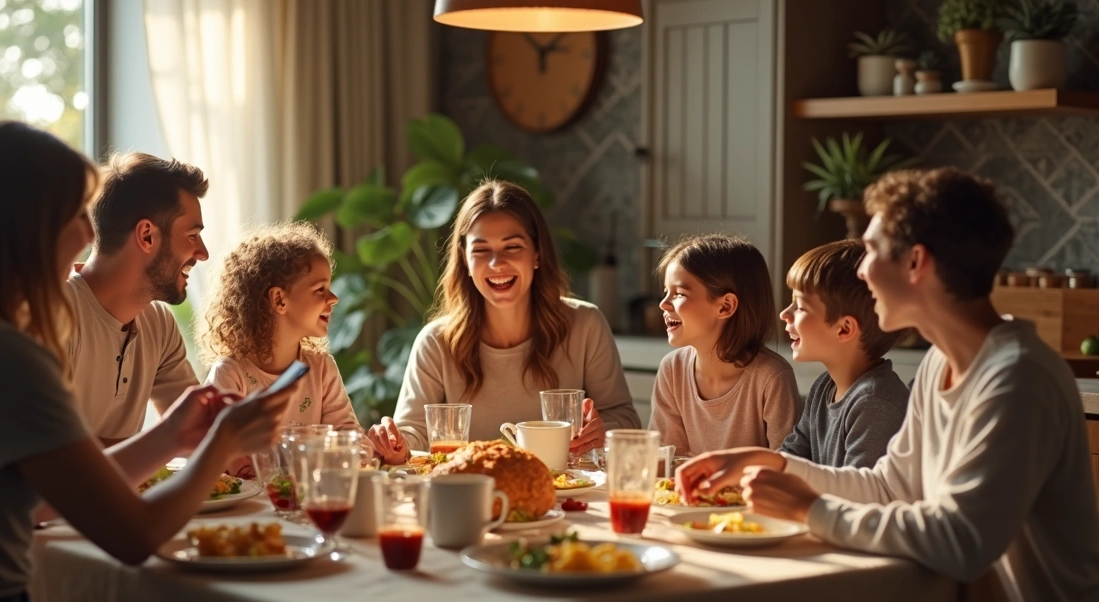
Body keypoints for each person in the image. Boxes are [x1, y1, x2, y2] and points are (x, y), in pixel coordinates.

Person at [0, 121, 294, 602]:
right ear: (31, 226)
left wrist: (172, 436)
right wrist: (225, 441)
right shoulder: (1, 353)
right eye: (78, 214)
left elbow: (45, 499)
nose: (88, 232)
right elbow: (133, 535)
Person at [678, 168, 1099, 602]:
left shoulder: (1019, 379)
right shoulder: (942, 362)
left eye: (873, 250)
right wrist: (775, 464)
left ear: (916, 262)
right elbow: (888, 487)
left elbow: (963, 541)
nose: (861, 268)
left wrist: (810, 511)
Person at [368, 180, 639, 464]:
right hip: (467, 496)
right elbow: (413, 433)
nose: (497, 263)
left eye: (512, 247)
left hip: (565, 495)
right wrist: (394, 443)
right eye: (481, 250)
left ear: (537, 254)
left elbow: (624, 417)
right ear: (465, 260)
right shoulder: (435, 342)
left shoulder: (586, 325)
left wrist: (602, 431)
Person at [196, 222, 375, 462]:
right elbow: (211, 452)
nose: (333, 298)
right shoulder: (231, 374)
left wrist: (360, 451)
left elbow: (350, 437)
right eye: (320, 289)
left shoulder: (322, 369)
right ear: (279, 299)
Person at [67, 152, 210, 446]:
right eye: (193, 236)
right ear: (147, 236)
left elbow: (196, 432)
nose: (203, 253)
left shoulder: (159, 324)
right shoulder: (55, 316)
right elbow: (53, 454)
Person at [649, 234, 800, 456]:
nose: (663, 304)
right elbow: (667, 462)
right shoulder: (672, 370)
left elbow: (786, 469)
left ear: (725, 306)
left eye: (679, 294)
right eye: (666, 292)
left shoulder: (771, 377)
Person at [777, 239, 909, 468]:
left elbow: (858, 496)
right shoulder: (824, 386)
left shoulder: (874, 403)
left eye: (799, 306)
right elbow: (790, 458)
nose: (784, 314)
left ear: (844, 328)